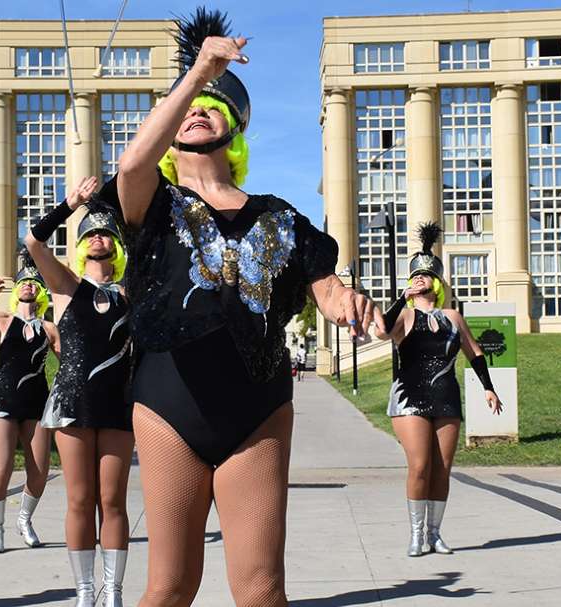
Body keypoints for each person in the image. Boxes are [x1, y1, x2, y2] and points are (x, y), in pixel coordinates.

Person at [106, 9, 374, 605]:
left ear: (234, 125)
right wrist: (199, 70)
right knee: (171, 587)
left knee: (260, 590)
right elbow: (129, 165)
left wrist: (349, 302)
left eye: (211, 104)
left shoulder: (280, 215)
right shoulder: (154, 204)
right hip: (170, 401)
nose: (198, 109)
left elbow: (325, 288)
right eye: (187, 104)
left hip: (258, 405)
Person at [26, 176, 134, 607]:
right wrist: (69, 205)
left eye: (106, 233)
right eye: (90, 234)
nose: (97, 239)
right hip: (72, 403)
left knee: (112, 500)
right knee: (80, 498)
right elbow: (33, 243)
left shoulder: (133, 290)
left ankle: (115, 592)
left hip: (117, 405)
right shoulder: (67, 287)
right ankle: (85, 591)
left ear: (118, 245)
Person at [374, 222, 502, 557]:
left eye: (425, 276)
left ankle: (435, 532)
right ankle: (416, 534)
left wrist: (489, 388)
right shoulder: (404, 315)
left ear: (437, 282)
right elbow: (382, 331)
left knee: (442, 467)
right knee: (420, 465)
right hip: (408, 398)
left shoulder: (452, 317)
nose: (420, 280)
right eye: (414, 275)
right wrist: (399, 300)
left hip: (446, 396)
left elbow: (474, 353)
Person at [0, 257, 60, 554]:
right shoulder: (2, 320)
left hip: (36, 402)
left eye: (34, 282)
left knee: (38, 471)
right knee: (1, 467)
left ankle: (24, 520)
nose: (28, 285)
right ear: (17, 291)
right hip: (1, 400)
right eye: (24, 281)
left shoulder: (50, 328)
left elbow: (69, 365)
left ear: (40, 291)